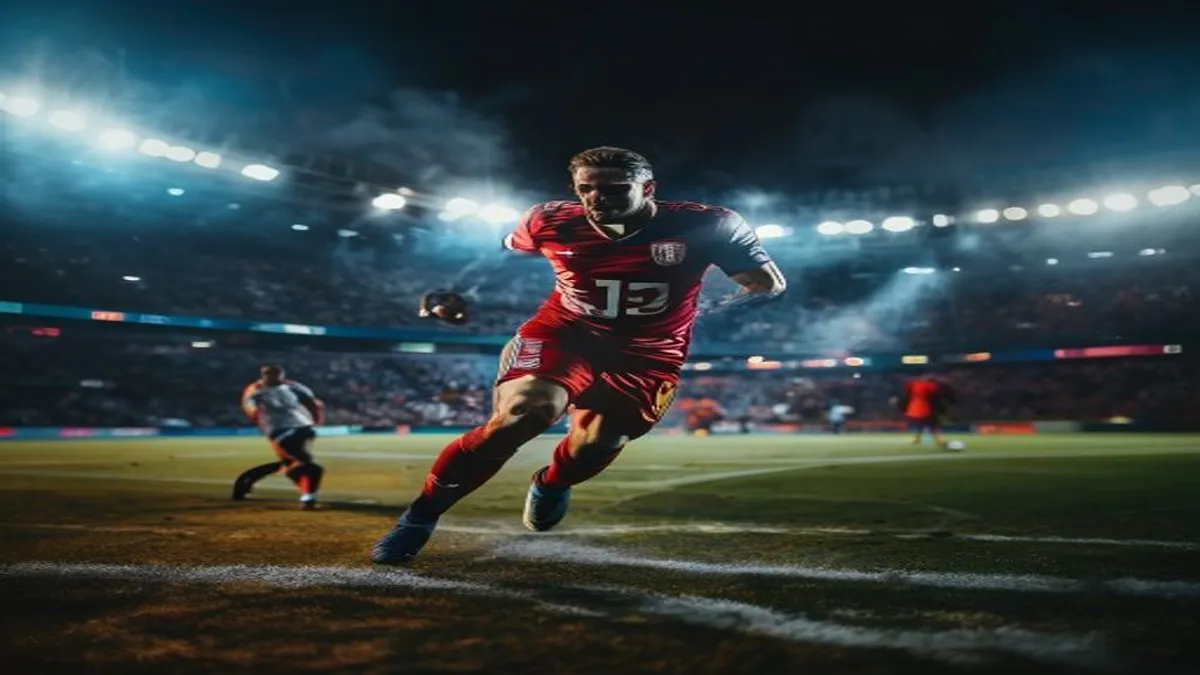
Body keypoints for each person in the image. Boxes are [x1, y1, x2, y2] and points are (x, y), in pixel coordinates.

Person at [372, 146, 787, 564]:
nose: (596, 199)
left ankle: (552, 483)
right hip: (566, 333)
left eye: (613, 189)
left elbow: (766, 284)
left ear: (649, 189)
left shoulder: (708, 225)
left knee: (597, 444)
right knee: (522, 413)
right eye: (585, 189)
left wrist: (708, 310)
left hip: (650, 353)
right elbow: (504, 251)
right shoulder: (549, 220)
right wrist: (459, 289)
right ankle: (419, 518)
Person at [233, 364, 326, 509]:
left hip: (303, 427)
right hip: (280, 430)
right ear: (263, 375)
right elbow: (250, 407)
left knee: (297, 462)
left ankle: (247, 483)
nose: (273, 377)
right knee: (306, 464)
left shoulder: (293, 386)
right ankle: (307, 497)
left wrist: (315, 421)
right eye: (269, 374)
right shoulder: (256, 390)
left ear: (281, 374)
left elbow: (313, 402)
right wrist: (259, 419)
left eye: (276, 374)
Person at [900, 372, 955, 447]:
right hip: (928, 408)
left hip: (925, 408)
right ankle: (936, 439)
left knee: (926, 425)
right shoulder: (933, 386)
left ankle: (921, 439)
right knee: (930, 425)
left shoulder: (922, 385)